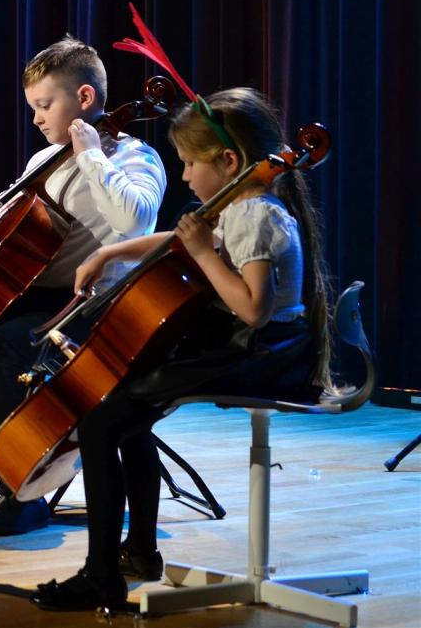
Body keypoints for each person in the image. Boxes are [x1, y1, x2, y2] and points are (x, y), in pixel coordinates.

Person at [30, 88, 334, 610]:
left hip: (262, 354)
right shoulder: (243, 207)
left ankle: (101, 574)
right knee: (120, 413)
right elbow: (179, 238)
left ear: (229, 162)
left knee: (102, 423)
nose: (187, 176)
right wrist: (110, 252)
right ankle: (133, 553)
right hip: (255, 349)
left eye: (191, 163)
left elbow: (253, 309)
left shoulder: (257, 215)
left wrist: (201, 253)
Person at [0, 36, 166, 535]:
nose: (36, 119)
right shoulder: (45, 160)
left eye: (44, 105)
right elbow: (1, 211)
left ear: (84, 98)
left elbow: (135, 221)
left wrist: (91, 157)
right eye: (33, 108)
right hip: (40, 296)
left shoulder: (136, 158)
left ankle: (22, 487)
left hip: (96, 306)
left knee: (5, 341)